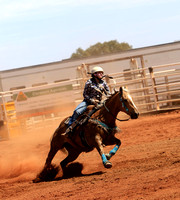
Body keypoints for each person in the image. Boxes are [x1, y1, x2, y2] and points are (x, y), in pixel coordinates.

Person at [66, 66, 111, 133]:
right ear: (94, 74)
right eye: (99, 73)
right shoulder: (89, 82)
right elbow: (85, 94)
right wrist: (92, 100)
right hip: (87, 102)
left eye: (102, 73)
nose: (101, 74)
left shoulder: (103, 83)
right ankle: (70, 126)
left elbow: (108, 93)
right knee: (77, 111)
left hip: (99, 102)